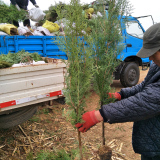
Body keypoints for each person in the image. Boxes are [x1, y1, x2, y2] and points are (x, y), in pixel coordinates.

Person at [75, 23, 160, 160]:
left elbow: (148, 100)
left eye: (152, 53)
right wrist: (121, 94)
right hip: (153, 140)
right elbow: (145, 86)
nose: (150, 58)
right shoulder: (158, 65)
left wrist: (99, 115)